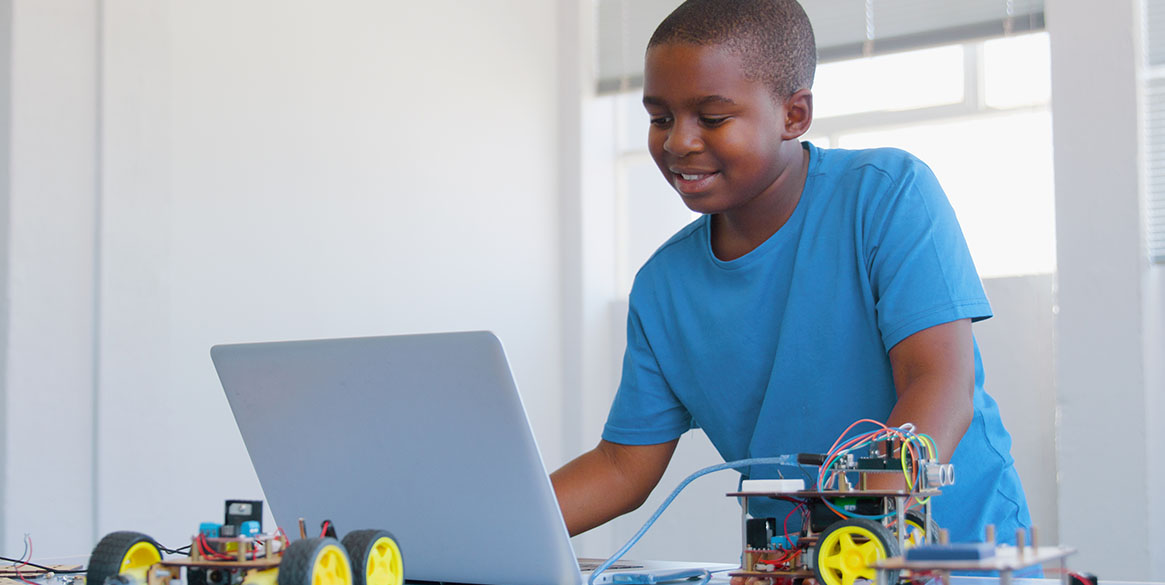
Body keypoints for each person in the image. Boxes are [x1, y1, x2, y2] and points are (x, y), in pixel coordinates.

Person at [550, 0, 1033, 553]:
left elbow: (939, 386)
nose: (678, 141)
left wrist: (859, 531)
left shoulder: (887, 193)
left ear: (794, 115)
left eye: (711, 118)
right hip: (798, 563)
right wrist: (484, 525)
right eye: (660, 118)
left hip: (950, 550)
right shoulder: (662, 287)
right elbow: (621, 465)